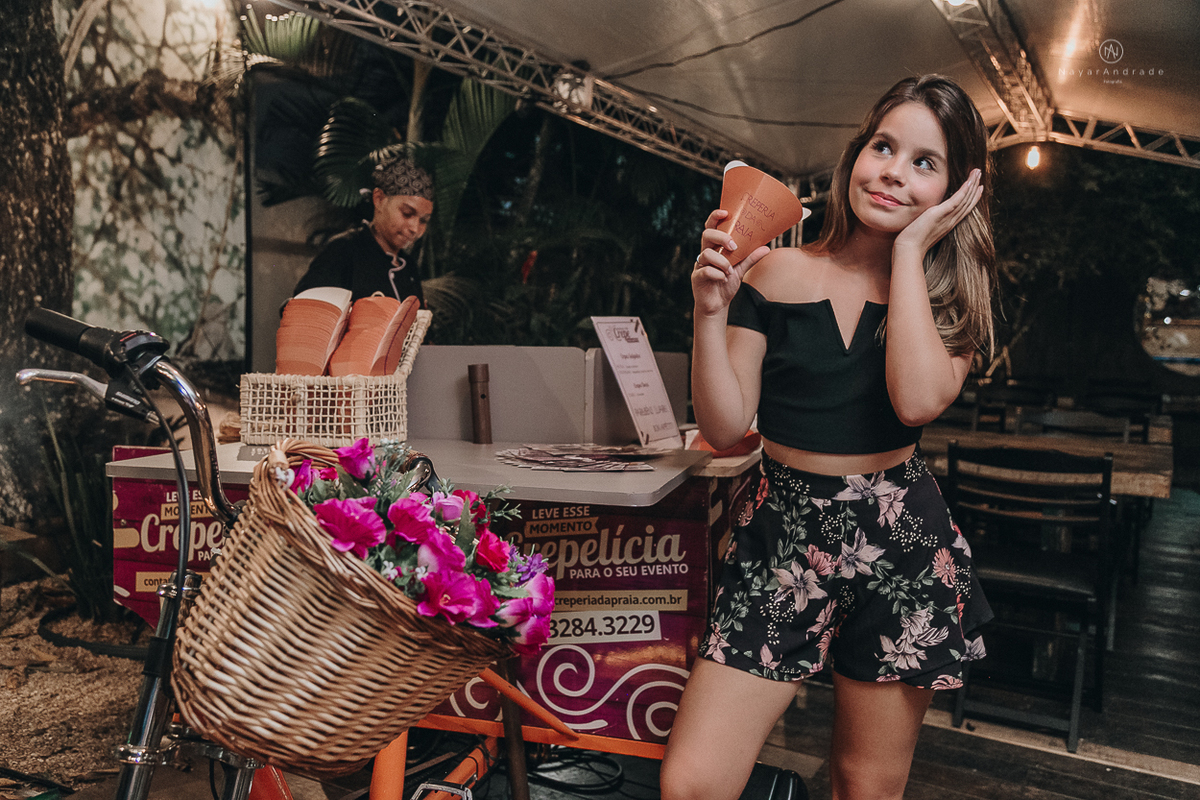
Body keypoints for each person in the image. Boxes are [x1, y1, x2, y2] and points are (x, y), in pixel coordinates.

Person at [661, 75, 996, 800]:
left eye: (923, 162)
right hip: (777, 532)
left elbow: (915, 402)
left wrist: (910, 254)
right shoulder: (776, 272)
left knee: (863, 788)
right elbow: (723, 427)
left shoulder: (950, 297)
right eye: (883, 146)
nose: (892, 172)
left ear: (954, 191)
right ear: (856, 154)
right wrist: (709, 311)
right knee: (692, 783)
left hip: (899, 542)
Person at [292, 154, 435, 306]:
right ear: (379, 199)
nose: (415, 228)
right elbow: (305, 311)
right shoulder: (344, 251)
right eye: (407, 213)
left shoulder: (409, 267)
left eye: (423, 220)